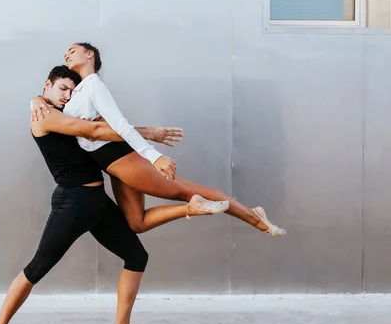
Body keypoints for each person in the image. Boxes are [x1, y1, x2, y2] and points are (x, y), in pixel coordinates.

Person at [0, 66, 227, 324]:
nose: (67, 96)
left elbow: (98, 129)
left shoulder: (58, 110)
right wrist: (149, 134)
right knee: (37, 267)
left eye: (72, 92)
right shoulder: (44, 116)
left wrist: (37, 97)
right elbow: (95, 130)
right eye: (62, 89)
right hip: (72, 203)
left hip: (97, 201)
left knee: (137, 257)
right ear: (47, 84)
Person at [32, 43, 286, 236]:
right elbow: (64, 114)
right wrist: (37, 99)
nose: (67, 54)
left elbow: (119, 125)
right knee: (136, 222)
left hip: (115, 155)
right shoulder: (78, 91)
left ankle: (253, 217)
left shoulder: (95, 85)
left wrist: (155, 157)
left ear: (90, 55)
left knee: (187, 190)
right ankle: (197, 208)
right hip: (107, 162)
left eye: (73, 50)